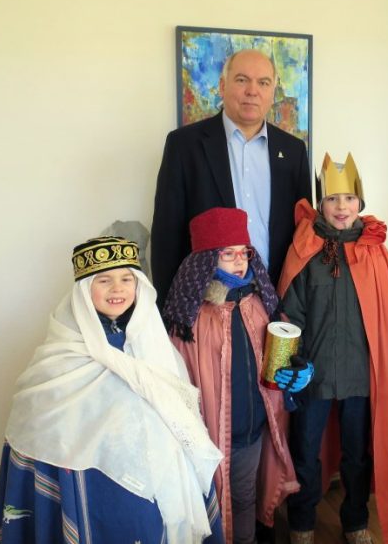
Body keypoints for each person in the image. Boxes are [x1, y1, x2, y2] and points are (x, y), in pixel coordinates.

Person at [0, 236, 224, 544]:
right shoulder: (62, 353)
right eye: (104, 280)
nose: (118, 289)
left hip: (157, 477)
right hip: (91, 480)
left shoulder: (151, 344)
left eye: (127, 279)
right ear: (84, 291)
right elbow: (42, 418)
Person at [278, 154, 388, 544]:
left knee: (358, 455)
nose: (341, 207)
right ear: (320, 204)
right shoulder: (306, 251)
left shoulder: (375, 252)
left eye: (348, 199)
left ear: (360, 203)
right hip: (314, 373)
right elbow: (289, 314)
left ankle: (356, 520)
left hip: (361, 374)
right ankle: (302, 524)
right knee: (306, 452)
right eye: (332, 199)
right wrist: (292, 362)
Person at [162, 207, 308, 544]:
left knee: (244, 500)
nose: (239, 261)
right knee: (206, 505)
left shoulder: (258, 302)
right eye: (228, 254)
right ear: (207, 260)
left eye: (243, 253)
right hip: (208, 438)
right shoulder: (189, 318)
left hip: (251, 433)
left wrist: (297, 370)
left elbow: (279, 356)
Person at [151, 48, 312, 309]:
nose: (252, 90)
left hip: (276, 302)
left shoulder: (294, 151)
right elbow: (166, 237)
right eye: (241, 80)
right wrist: (169, 312)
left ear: (273, 93)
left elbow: (305, 235)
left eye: (263, 82)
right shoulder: (185, 146)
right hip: (206, 305)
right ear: (222, 86)